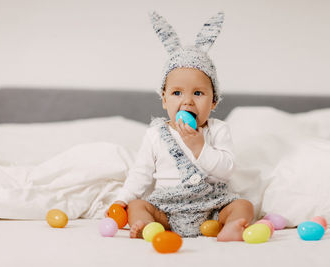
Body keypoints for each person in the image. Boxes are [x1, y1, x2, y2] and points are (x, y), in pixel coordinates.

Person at [106, 11, 253, 241]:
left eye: (198, 93)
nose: (187, 101)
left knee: (243, 205)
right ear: (164, 99)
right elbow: (140, 174)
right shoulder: (156, 134)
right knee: (138, 205)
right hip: (167, 206)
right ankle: (145, 226)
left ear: (214, 101)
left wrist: (199, 146)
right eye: (176, 92)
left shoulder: (218, 130)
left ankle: (231, 227)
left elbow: (227, 169)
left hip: (212, 205)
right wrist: (121, 200)